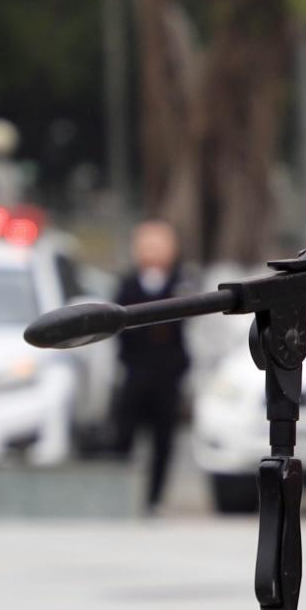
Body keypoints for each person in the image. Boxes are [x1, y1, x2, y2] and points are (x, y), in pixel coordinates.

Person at [110, 218, 191, 515]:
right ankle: (120, 494)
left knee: (164, 441)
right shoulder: (127, 285)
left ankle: (154, 498)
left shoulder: (182, 284)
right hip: (135, 372)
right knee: (123, 435)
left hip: (167, 376)